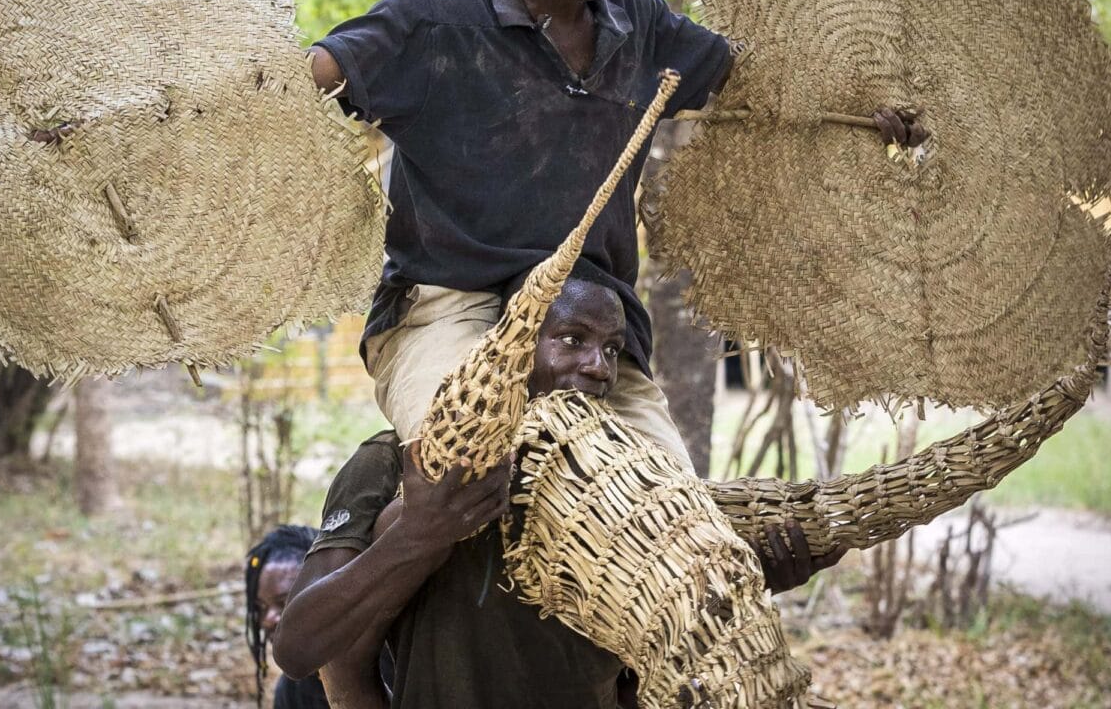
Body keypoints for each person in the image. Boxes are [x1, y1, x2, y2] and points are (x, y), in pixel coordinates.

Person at [307, 0, 923, 474]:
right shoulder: (434, 21)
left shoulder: (642, 24)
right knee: (458, 469)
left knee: (673, 516)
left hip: (591, 328)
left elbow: (755, 84)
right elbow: (307, 79)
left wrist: (865, 103)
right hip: (450, 311)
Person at [272, 276, 837, 708]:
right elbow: (299, 647)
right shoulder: (400, 462)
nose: (597, 368)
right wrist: (421, 531)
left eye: (613, 350)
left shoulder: (645, 484)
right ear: (514, 348)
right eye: (571, 340)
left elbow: (644, 673)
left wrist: (746, 581)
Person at [245, 525, 330, 709]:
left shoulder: (386, 667)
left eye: (283, 603)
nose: (268, 619)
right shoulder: (292, 691)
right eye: (261, 607)